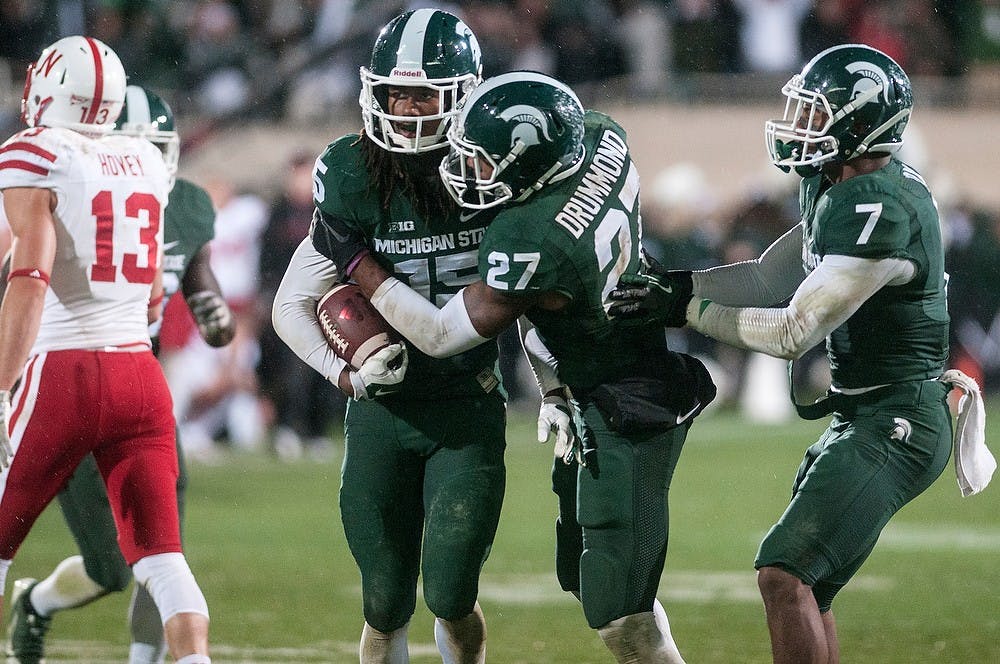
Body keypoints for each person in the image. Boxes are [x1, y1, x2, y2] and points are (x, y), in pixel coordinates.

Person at [607, 43, 995, 663]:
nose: (800, 127)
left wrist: (684, 310)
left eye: (817, 114)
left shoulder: (878, 206)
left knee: (783, 574)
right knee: (806, 587)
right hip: (864, 414)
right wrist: (680, 284)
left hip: (898, 421)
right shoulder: (838, 184)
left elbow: (793, 332)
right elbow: (766, 278)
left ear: (861, 126)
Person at [314, 70, 715, 664]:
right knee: (586, 578)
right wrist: (552, 386)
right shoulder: (602, 137)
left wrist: (357, 262)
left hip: (615, 395)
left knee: (613, 605)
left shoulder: (529, 235)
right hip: (611, 361)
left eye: (484, 160)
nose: (468, 171)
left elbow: (441, 333)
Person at [271, 9, 506, 663]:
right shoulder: (354, 174)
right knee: (383, 598)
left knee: (454, 590)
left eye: (423, 93)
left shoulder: (497, 171)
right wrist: (344, 375)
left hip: (467, 406)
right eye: (395, 93)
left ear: (464, 93)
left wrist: (558, 385)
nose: (406, 109)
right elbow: (291, 302)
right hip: (382, 412)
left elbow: (536, 294)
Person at [2, 84, 233, 663]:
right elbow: (153, 298)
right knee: (133, 562)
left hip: (69, 375)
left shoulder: (71, 174)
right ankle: (40, 605)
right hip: (135, 375)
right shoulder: (133, 181)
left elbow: (27, 284)